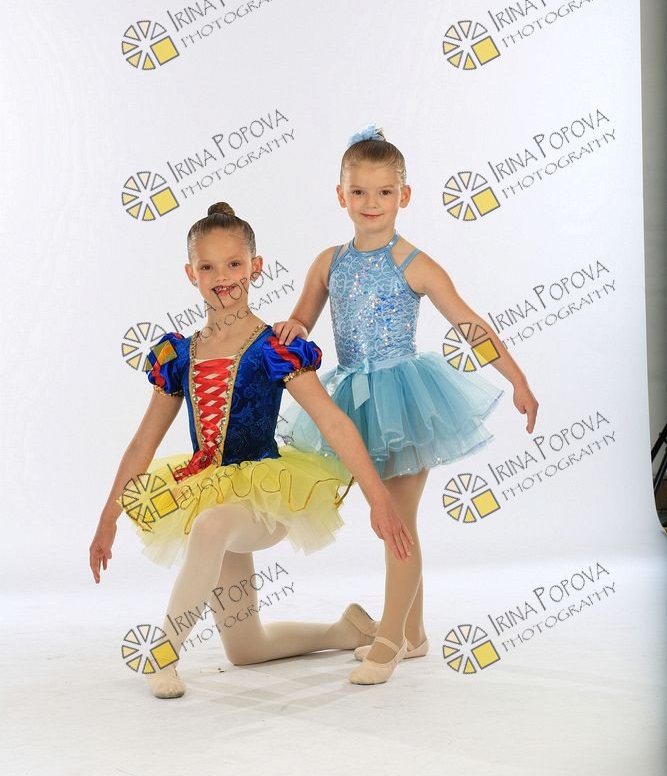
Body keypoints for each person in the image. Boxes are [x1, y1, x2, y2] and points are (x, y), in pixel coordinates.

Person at [89, 201, 414, 700]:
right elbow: (141, 443)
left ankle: (164, 653)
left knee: (211, 526)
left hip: (266, 496)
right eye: (208, 267)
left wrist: (378, 497)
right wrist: (108, 518)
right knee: (245, 648)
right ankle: (346, 630)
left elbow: (332, 420)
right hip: (207, 491)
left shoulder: (273, 347)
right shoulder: (179, 355)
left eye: (234, 264)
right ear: (191, 274)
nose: (222, 278)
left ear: (255, 267)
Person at [274, 126, 540, 685]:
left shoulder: (414, 263)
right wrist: (292, 326)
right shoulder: (328, 262)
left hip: (406, 402)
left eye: (384, 192)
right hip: (351, 400)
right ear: (340, 195)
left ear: (405, 195)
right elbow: (303, 317)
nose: (371, 203)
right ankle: (415, 632)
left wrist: (517, 379)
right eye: (359, 192)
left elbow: (469, 325)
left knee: (398, 522)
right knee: (392, 521)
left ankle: (390, 638)